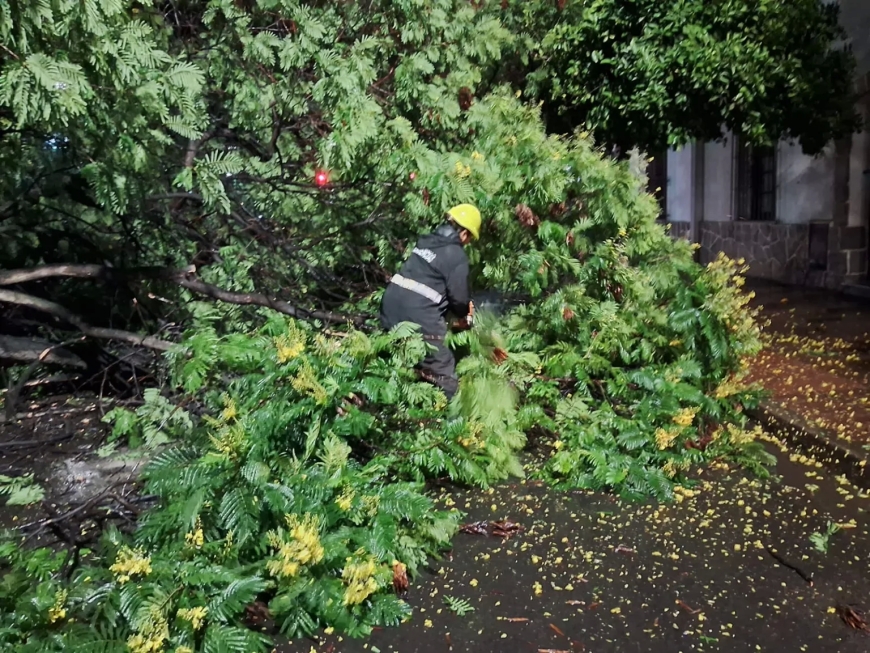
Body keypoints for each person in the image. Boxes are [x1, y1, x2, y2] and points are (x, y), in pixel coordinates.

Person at [380, 204, 481, 400]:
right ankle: (446, 424)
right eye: (469, 238)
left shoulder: (426, 241)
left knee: (399, 365)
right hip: (419, 316)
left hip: (390, 308)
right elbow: (459, 300)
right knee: (444, 378)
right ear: (464, 233)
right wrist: (465, 316)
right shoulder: (456, 255)